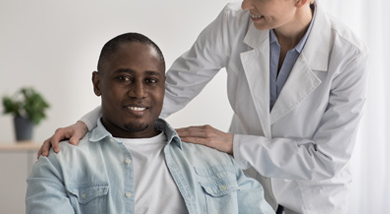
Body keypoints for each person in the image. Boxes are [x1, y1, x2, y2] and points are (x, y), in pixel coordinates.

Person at [38, 0, 369, 213]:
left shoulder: (347, 56)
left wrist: (233, 143)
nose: (245, 3)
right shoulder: (233, 24)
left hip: (310, 200)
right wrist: (86, 124)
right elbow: (170, 89)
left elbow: (325, 160)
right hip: (247, 187)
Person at [26, 33, 274, 214]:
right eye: (124, 78)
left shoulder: (215, 159)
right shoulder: (59, 164)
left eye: (151, 81)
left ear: (164, 85)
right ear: (98, 83)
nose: (139, 92)